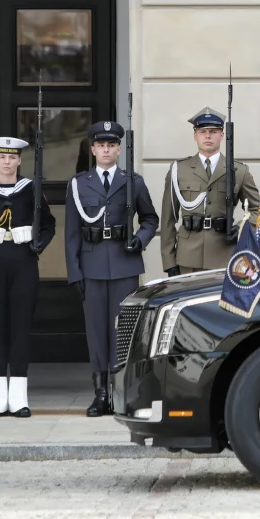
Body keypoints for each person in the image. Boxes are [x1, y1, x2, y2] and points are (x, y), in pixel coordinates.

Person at [65, 121, 159, 417]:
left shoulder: (134, 182)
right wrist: (75, 272)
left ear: (119, 149)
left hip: (123, 264)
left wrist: (140, 240)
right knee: (96, 333)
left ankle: (122, 392)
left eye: (111, 145)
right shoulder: (79, 184)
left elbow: (150, 220)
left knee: (123, 332)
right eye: (100, 145)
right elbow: (71, 233)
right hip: (91, 267)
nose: (106, 149)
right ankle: (100, 394)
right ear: (92, 149)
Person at [0, 136, 56, 419]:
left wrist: (39, 243)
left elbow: (49, 224)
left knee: (19, 328)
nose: (7, 162)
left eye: (12, 157)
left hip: (22, 262)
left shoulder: (31, 189)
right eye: (1, 157)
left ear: (19, 160)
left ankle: (18, 398)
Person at [160, 108, 260, 275]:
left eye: (213, 132)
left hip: (225, 255)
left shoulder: (239, 171)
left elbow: (257, 210)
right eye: (202, 132)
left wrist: (242, 228)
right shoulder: (179, 170)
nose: (208, 136)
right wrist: (169, 260)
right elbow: (168, 219)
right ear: (195, 136)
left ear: (222, 135)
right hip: (187, 257)